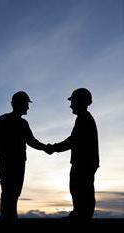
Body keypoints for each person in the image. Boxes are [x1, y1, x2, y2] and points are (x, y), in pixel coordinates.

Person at [0, 91, 49, 220]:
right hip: (9, 163)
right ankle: (7, 218)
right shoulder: (4, 120)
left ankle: (11, 217)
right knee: (8, 192)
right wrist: (5, 155)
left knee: (14, 192)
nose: (28, 107)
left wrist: (46, 147)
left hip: (19, 162)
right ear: (17, 104)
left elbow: (31, 141)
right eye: (26, 104)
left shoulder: (23, 123)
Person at [47, 88, 99, 220]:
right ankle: (79, 213)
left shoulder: (84, 119)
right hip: (85, 163)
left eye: (73, 101)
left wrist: (53, 148)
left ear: (80, 101)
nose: (71, 105)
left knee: (80, 189)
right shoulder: (84, 118)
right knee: (80, 189)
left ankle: (81, 216)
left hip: (83, 163)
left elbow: (72, 141)